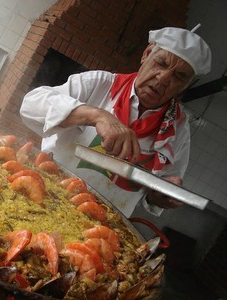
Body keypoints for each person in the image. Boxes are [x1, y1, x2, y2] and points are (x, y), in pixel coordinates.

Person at [20, 27, 212, 217]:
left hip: (104, 221)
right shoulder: (101, 84)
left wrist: (160, 197)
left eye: (179, 76)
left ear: (185, 85)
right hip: (44, 193)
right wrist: (96, 115)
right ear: (146, 54)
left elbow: (160, 189)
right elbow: (30, 104)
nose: (163, 79)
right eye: (161, 63)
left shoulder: (179, 129)